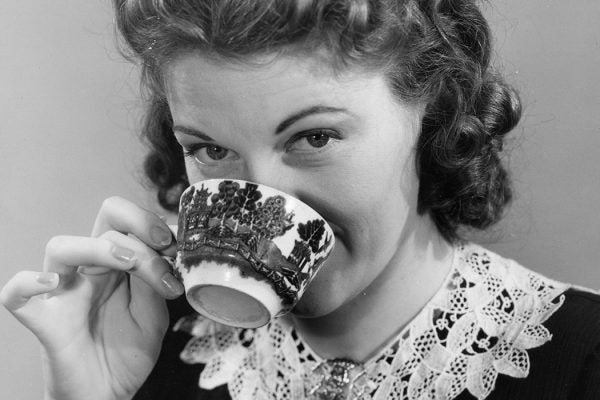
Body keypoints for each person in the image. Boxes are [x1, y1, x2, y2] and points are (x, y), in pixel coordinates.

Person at [2, 0, 599, 399]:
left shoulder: (582, 362)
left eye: (314, 137)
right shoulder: (148, 352)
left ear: (437, 115)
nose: (264, 200)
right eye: (210, 150)